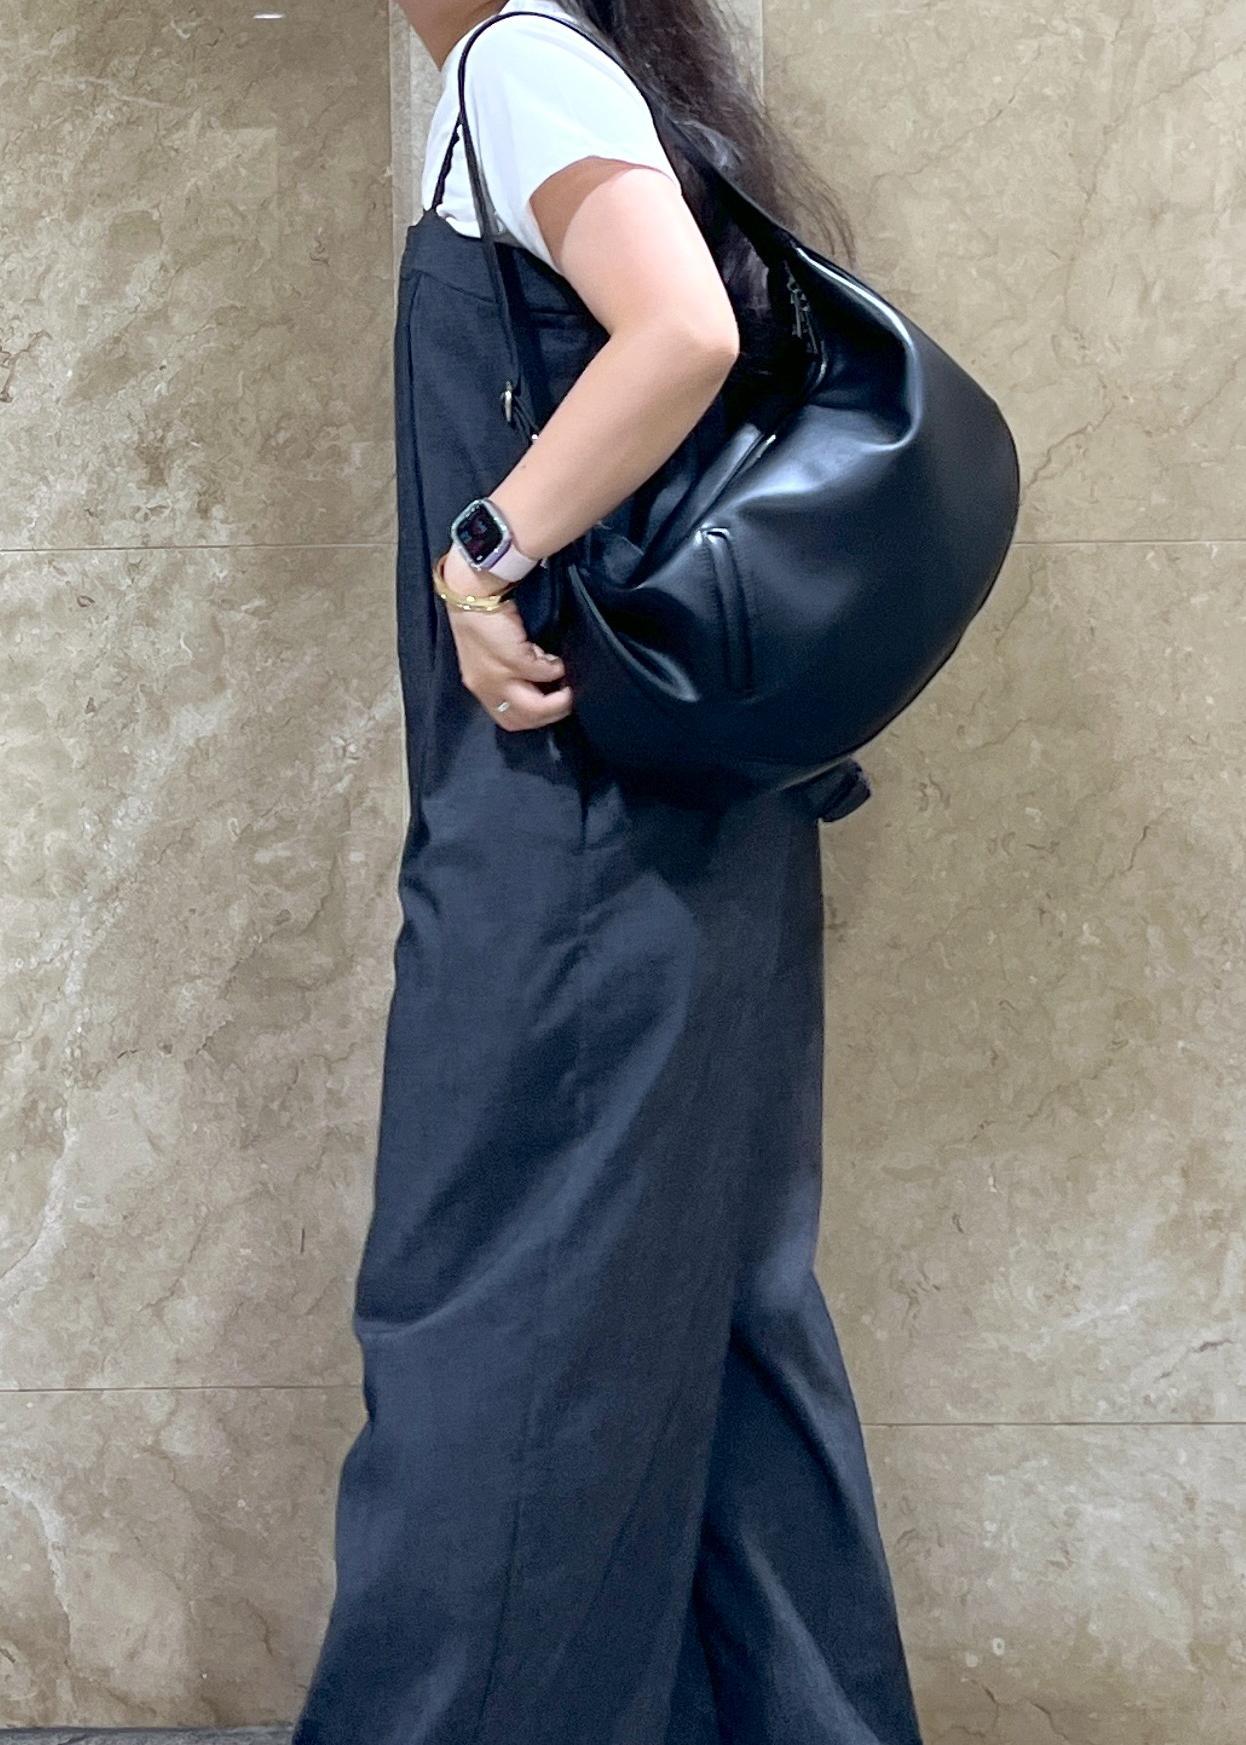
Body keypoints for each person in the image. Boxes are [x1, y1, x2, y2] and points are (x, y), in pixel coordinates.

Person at [290, 3, 924, 1742]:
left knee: (494, 1313)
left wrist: (483, 558)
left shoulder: (518, 61)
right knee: (714, 1324)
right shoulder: (558, 68)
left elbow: (679, 330)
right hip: (675, 820)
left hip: (565, 821)